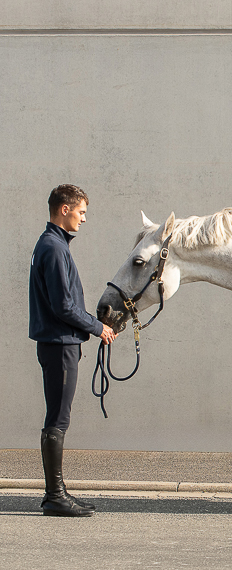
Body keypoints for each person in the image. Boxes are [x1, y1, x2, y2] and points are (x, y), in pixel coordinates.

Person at [29, 184, 117, 517]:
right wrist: (98, 328)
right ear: (64, 209)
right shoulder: (53, 248)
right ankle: (54, 496)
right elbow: (63, 306)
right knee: (58, 420)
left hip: (59, 343)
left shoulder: (52, 245)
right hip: (59, 345)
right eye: (81, 212)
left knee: (58, 418)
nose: (83, 219)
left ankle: (58, 493)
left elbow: (63, 305)